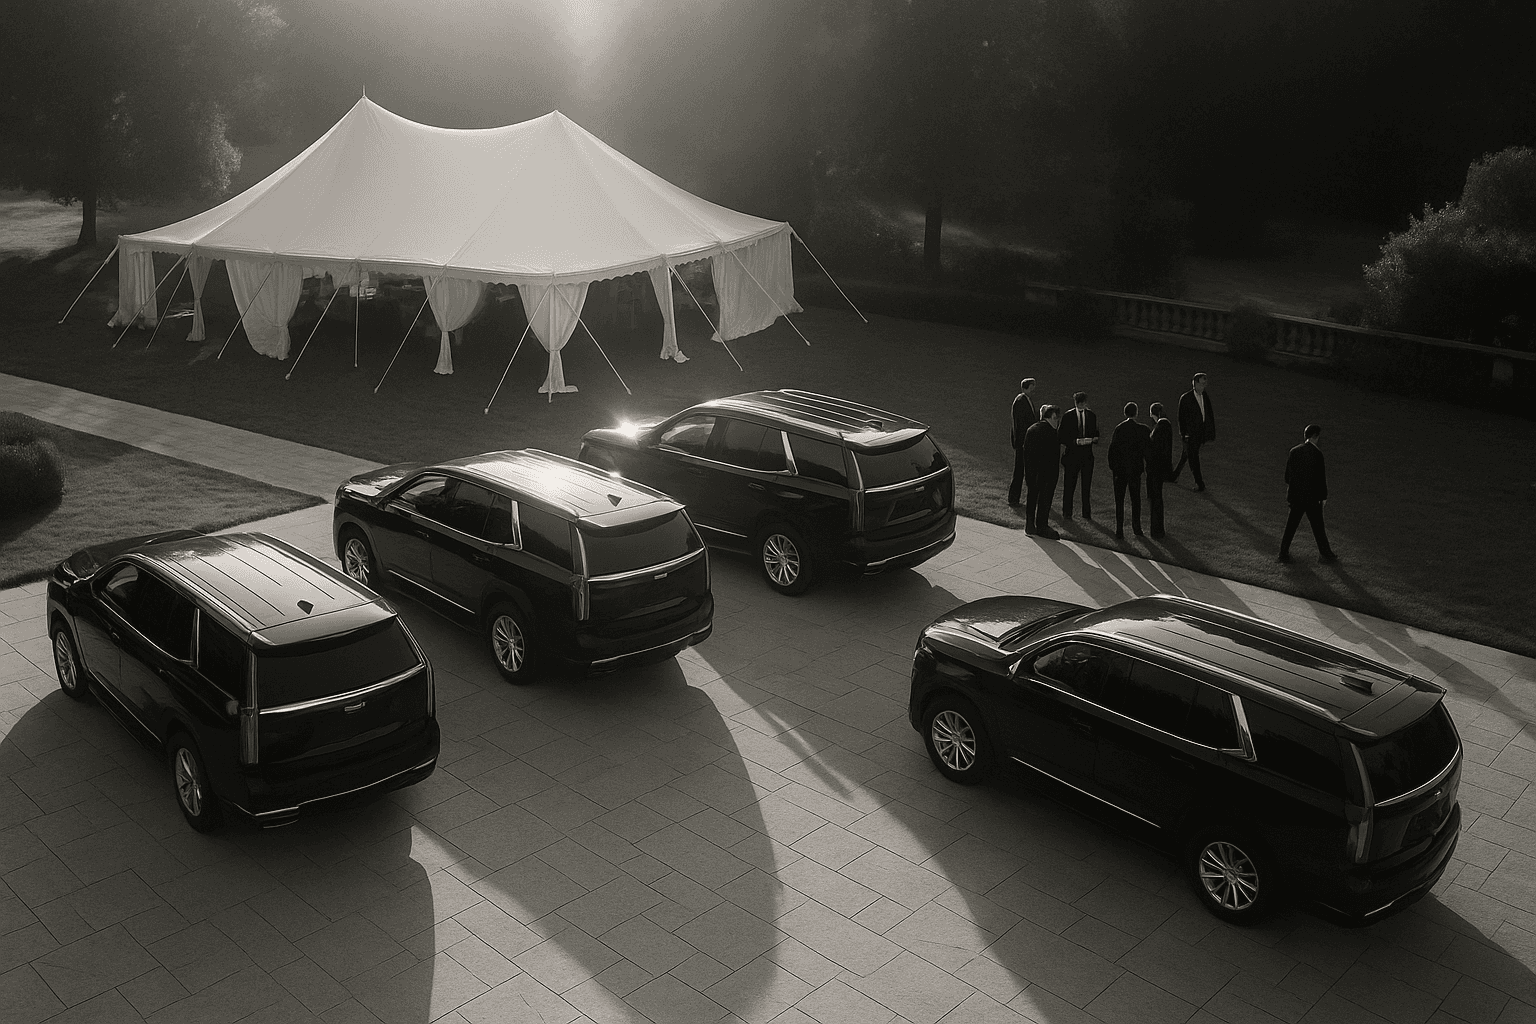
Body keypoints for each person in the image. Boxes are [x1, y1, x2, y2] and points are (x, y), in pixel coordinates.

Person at [1278, 423, 1337, 564]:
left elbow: (1287, 477)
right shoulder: (1317, 455)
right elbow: (1321, 480)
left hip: (1296, 497)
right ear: (1316, 437)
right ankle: (1326, 553)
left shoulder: (1294, 451)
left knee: (1291, 526)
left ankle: (1283, 553)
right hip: (1312, 499)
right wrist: (1323, 497)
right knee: (1318, 527)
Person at [1107, 402, 1150, 538]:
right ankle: (1137, 528)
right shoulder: (1142, 430)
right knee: (1135, 499)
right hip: (1135, 470)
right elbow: (1147, 450)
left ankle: (1119, 529)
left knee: (1119, 500)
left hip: (1120, 471)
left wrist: (1114, 467)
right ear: (1136, 413)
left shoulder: (1119, 429)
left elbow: (1112, 450)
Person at [1058, 391, 1099, 519]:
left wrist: (1094, 438)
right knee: (1069, 486)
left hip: (1087, 456)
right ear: (1076, 403)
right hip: (1072, 456)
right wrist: (1075, 442)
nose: (1082, 405)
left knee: (1086, 487)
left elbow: (1096, 432)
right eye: (1079, 403)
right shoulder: (1068, 416)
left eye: (1083, 403)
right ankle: (1067, 512)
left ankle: (1086, 513)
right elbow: (1061, 436)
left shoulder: (1091, 415)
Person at [1171, 372, 1215, 491]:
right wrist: (1184, 433)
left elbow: (1208, 414)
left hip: (1199, 434)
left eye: (1204, 384)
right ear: (1194, 384)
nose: (1203, 387)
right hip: (1190, 435)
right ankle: (1200, 483)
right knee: (1193, 458)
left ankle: (1174, 476)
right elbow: (1181, 418)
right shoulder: (1186, 398)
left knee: (1186, 455)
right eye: (1201, 384)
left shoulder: (1204, 396)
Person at [1024, 405, 1062, 538]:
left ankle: (1029, 524)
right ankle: (1042, 525)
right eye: (1057, 419)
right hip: (1047, 474)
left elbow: (1027, 455)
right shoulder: (1051, 433)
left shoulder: (1032, 430)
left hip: (1032, 472)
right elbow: (1053, 457)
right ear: (1052, 417)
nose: (1058, 422)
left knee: (1032, 497)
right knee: (1044, 500)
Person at [1007, 378, 1038, 506]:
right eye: (1032, 388)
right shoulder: (1021, 401)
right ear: (1025, 388)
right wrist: (1024, 442)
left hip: (1024, 442)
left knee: (1021, 470)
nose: (1033, 390)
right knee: (1019, 470)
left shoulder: (1025, 400)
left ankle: (1016, 498)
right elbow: (1019, 424)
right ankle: (1014, 498)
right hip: (1023, 443)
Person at [1146, 402, 1174, 538]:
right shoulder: (1165, 425)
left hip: (1157, 468)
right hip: (1161, 467)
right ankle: (1158, 529)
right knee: (1157, 498)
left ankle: (1157, 530)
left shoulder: (1161, 426)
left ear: (1153, 414)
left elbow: (1154, 447)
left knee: (1156, 499)